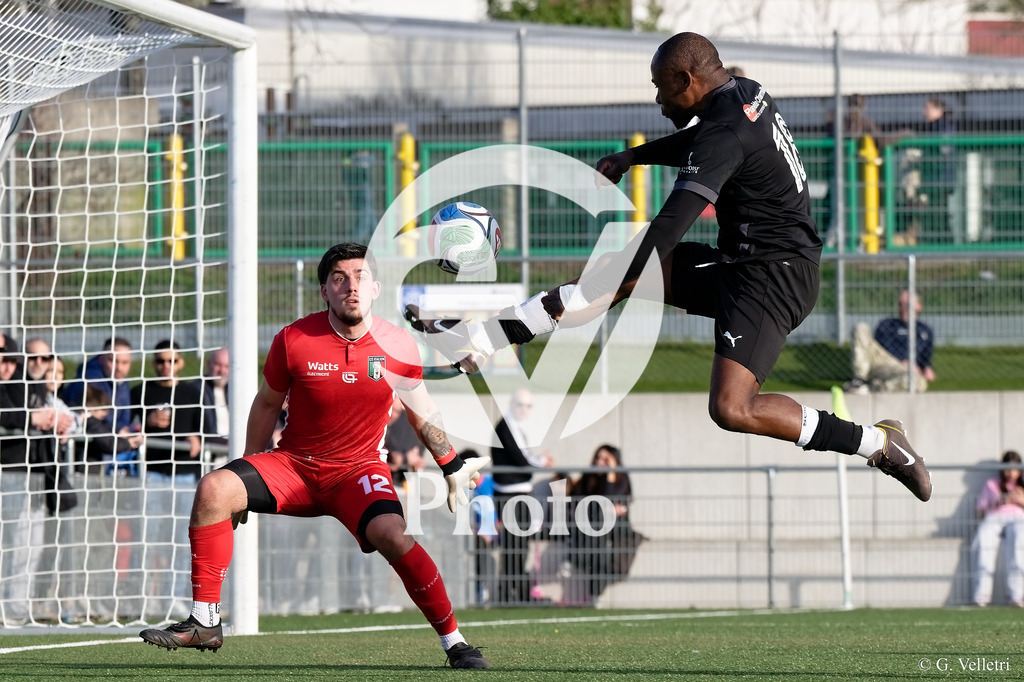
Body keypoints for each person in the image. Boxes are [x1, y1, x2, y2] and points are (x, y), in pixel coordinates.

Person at [407, 31, 932, 504]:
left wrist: (620, 271)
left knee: (732, 408)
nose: (659, 102)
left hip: (773, 279)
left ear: (687, 78)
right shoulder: (743, 93)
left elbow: (667, 229)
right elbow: (701, 140)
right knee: (613, 277)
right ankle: (482, 339)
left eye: (662, 89)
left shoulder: (726, 132)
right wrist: (634, 158)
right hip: (743, 262)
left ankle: (878, 443)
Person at [138, 243, 490, 669]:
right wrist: (244, 470)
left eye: (361, 276)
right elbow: (267, 404)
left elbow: (423, 411)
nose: (351, 286)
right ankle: (205, 621)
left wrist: (451, 466)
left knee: (393, 535)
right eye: (340, 278)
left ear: (376, 287)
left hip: (358, 471)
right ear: (325, 290)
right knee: (214, 487)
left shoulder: (398, 344)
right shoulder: (293, 339)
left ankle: (455, 642)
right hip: (294, 467)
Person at [131, 340, 204, 620]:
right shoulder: (142, 392)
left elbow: (207, 432)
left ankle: (174, 598)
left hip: (184, 478)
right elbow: (127, 426)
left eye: (171, 361)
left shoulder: (192, 393)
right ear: (153, 363)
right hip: (151, 475)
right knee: (147, 540)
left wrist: (196, 438)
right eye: (161, 361)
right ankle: (143, 599)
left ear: (181, 363)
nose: (166, 366)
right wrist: (147, 422)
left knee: (181, 541)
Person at [491, 388, 552, 604]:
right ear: (512, 404)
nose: (524, 410)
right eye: (520, 404)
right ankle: (510, 591)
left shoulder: (514, 425)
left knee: (519, 545)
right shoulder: (507, 426)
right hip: (511, 495)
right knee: (514, 545)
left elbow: (524, 458)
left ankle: (515, 590)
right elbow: (522, 459)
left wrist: (536, 462)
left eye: (528, 406)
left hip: (518, 493)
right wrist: (542, 462)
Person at [567, 444, 643, 604]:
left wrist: (610, 474)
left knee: (601, 533)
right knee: (598, 549)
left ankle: (574, 563)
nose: (599, 462)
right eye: (598, 458)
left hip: (617, 528)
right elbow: (584, 503)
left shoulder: (622, 478)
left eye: (605, 459)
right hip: (593, 529)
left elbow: (613, 499)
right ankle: (595, 595)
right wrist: (603, 507)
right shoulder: (588, 477)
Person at [61, 336, 139, 476]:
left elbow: (123, 419)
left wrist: (124, 431)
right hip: (83, 457)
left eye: (124, 362)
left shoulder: (122, 383)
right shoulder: (88, 382)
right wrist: (121, 435)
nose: (119, 367)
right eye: (113, 360)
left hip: (107, 453)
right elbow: (94, 420)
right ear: (101, 358)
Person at [844, 289, 936, 395]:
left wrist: (926, 369)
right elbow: (883, 348)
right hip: (883, 362)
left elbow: (926, 359)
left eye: (908, 304)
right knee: (861, 327)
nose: (904, 308)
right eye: (901, 304)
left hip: (903, 371)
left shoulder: (925, 331)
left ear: (918, 306)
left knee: (919, 383)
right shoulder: (887, 325)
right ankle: (859, 380)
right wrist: (902, 360)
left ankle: (874, 388)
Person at [971, 450, 1024, 608]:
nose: (1010, 473)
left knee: (1018, 550)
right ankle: (981, 596)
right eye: (1007, 468)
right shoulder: (991, 484)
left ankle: (1017, 596)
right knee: (982, 547)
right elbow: (981, 511)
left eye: (1014, 468)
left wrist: (1020, 499)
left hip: (1019, 518)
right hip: (994, 517)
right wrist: (999, 501)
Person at [192, 347, 230, 468]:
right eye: (218, 365)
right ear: (209, 364)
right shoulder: (196, 390)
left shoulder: (237, 391)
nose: (222, 371)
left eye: (226, 366)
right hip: (209, 458)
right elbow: (203, 432)